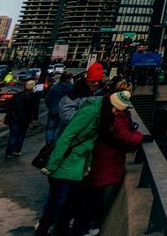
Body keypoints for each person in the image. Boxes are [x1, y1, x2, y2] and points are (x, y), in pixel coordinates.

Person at [73, 90, 143, 235]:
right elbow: (120, 133)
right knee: (92, 197)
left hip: (102, 161)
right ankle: (82, 228)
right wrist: (139, 138)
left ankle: (83, 225)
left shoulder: (109, 111)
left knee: (91, 196)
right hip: (103, 162)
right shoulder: (111, 116)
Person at [38, 96, 103, 236]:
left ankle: (56, 230)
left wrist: (87, 164)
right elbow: (67, 136)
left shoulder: (98, 115)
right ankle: (44, 229)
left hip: (75, 165)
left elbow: (89, 143)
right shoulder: (90, 112)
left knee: (67, 202)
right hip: (65, 162)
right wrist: (52, 165)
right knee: (59, 202)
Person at [5, 78, 40, 158]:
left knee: (13, 135)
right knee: (22, 135)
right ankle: (17, 150)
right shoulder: (34, 97)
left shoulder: (17, 96)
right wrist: (35, 118)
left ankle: (8, 152)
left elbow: (10, 107)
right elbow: (35, 109)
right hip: (26, 119)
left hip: (15, 118)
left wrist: (10, 116)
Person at [46, 73, 74, 143]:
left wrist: (50, 107)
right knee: (60, 129)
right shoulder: (72, 88)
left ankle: (49, 144)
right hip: (65, 112)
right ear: (69, 79)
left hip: (53, 111)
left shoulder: (54, 87)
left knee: (50, 128)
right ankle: (55, 144)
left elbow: (47, 100)